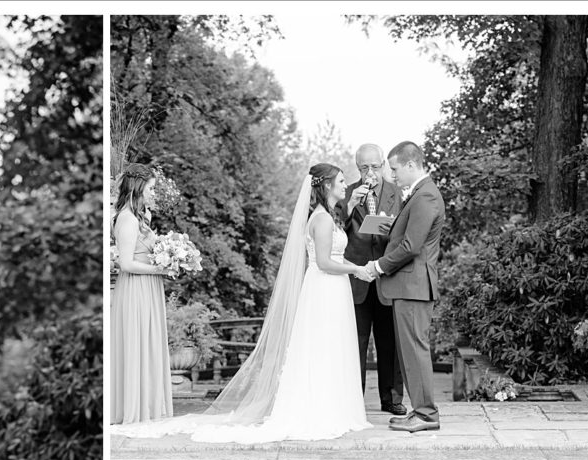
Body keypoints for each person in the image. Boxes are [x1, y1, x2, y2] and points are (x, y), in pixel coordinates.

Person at [114, 163, 373, 443]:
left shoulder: (331, 217)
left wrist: (358, 268)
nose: (345, 186)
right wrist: (165, 266)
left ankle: (333, 406)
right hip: (324, 288)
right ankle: (320, 409)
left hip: (333, 288)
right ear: (326, 185)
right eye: (341, 181)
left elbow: (334, 256)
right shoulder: (321, 219)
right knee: (321, 348)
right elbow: (324, 262)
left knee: (331, 348)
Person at [363, 141, 445, 433]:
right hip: (409, 286)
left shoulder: (425, 197)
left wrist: (379, 266)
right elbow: (409, 236)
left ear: (411, 165)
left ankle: (425, 414)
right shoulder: (421, 195)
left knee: (415, 351)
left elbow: (412, 246)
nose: (393, 175)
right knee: (410, 352)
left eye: (395, 169)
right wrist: (392, 227)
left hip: (414, 286)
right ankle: (420, 411)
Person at [337, 143, 405, 415]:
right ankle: (354, 401)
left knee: (390, 343)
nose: (371, 172)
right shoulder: (347, 193)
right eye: (364, 167)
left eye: (375, 166)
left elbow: (407, 232)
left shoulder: (398, 193)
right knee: (356, 344)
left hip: (387, 277)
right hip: (357, 279)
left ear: (384, 165)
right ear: (357, 168)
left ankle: (392, 400)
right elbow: (333, 229)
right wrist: (350, 205)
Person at [111, 163, 174, 424]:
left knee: (147, 343)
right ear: (138, 187)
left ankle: (147, 405)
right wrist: (160, 268)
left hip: (148, 288)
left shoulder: (142, 217)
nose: (152, 192)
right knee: (137, 342)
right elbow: (125, 263)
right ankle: (133, 409)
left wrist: (172, 258)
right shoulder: (126, 218)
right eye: (150, 187)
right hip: (136, 289)